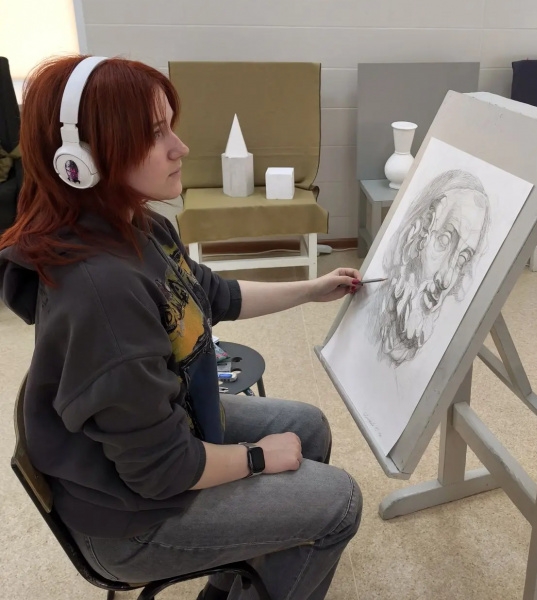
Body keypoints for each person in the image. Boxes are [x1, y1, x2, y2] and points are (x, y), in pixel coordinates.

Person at [0, 55, 363, 600]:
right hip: (130, 521)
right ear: (83, 159)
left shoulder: (138, 223)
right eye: (155, 133)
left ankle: (234, 578)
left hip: (160, 440)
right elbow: (163, 471)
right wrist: (258, 459)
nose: (181, 147)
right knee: (340, 502)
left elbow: (212, 295)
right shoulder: (102, 295)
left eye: (171, 126)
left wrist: (311, 289)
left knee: (306, 426)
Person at [371, 170, 490, 366]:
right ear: (416, 234)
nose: (446, 279)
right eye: (444, 241)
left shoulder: (442, 346)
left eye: (462, 259)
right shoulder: (366, 315)